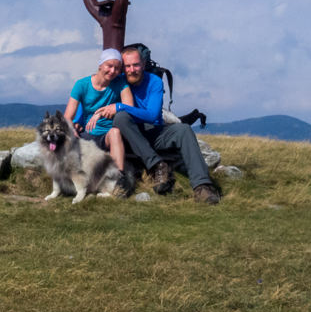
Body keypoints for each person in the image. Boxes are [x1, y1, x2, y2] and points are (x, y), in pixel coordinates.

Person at [90, 44, 220, 204]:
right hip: (130, 136)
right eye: (128, 66)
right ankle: (158, 166)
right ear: (123, 68)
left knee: (184, 129)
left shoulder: (155, 82)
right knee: (121, 118)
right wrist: (77, 122)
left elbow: (152, 116)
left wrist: (120, 106)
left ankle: (202, 187)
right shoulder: (118, 82)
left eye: (136, 65)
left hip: (155, 132)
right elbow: (93, 97)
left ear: (143, 65)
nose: (132, 69)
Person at [63, 49, 137, 196]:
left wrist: (102, 112)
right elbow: (67, 117)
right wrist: (73, 131)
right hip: (87, 134)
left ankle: (118, 180)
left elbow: (130, 108)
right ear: (100, 65)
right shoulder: (82, 85)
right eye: (109, 66)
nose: (113, 71)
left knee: (115, 132)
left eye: (117, 68)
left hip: (107, 135)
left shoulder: (120, 83)